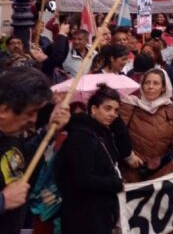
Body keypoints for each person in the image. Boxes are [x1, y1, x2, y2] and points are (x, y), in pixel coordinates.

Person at [0, 67, 70, 233]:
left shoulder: (9, 133)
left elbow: (22, 163)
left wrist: (48, 131)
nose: (34, 120)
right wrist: (0, 202)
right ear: (4, 110)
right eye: (30, 113)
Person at [55, 84, 125, 234]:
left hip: (99, 213)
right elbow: (82, 179)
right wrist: (115, 183)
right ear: (93, 109)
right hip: (83, 217)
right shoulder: (83, 137)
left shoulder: (102, 133)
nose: (113, 114)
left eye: (116, 110)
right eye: (107, 108)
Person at [119, 68, 173, 182]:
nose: (150, 87)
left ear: (163, 88)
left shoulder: (169, 107)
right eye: (147, 83)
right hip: (133, 169)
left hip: (162, 169)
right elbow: (118, 134)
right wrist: (128, 155)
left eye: (156, 83)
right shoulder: (130, 104)